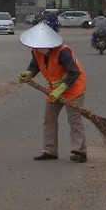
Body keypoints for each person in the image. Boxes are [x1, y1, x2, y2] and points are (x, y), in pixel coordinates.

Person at [17, 22, 88, 163]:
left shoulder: (63, 52)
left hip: (73, 89)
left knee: (74, 120)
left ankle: (79, 151)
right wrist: (28, 74)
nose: (40, 48)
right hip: (54, 90)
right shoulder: (36, 51)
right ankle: (50, 151)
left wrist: (61, 89)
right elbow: (35, 65)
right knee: (49, 120)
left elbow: (74, 72)